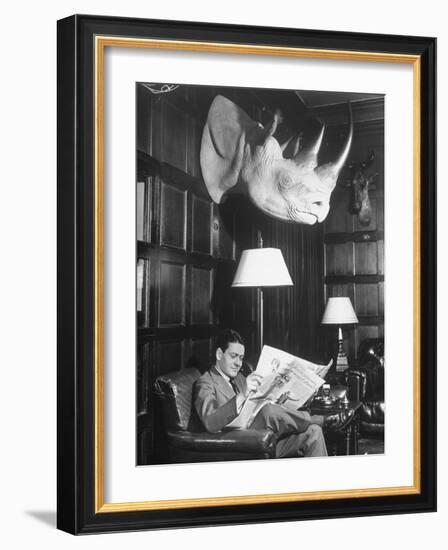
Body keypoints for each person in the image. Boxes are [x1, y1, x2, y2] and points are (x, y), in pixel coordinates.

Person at [193, 329, 338, 458]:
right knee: (268, 410)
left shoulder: (239, 378)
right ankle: (316, 419)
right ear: (219, 354)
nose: (238, 363)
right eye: (233, 356)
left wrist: (310, 386)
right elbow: (210, 422)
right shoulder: (205, 382)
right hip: (236, 442)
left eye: (241, 358)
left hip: (264, 437)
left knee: (314, 433)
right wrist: (242, 395)